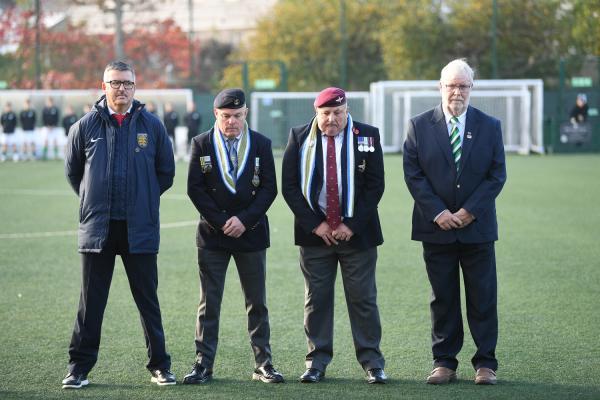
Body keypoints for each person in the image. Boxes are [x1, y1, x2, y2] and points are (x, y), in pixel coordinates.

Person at [63, 60, 176, 389]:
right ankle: (79, 368)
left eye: (127, 83)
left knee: (147, 301)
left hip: (139, 227)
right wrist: (91, 200)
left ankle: (160, 365)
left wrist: (143, 199)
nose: (121, 88)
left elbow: (165, 174)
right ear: (104, 86)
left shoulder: (152, 126)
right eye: (115, 83)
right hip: (98, 229)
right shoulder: (85, 126)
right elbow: (74, 174)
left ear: (135, 87)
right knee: (91, 303)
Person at [403, 59, 506, 386]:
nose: (457, 92)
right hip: (436, 229)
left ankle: (485, 364)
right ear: (440, 87)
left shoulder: (490, 126)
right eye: (452, 85)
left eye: (463, 86)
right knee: (443, 298)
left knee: (483, 296)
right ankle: (444, 362)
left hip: (477, 230)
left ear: (471, 88)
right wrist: (439, 212)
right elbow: (414, 175)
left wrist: (469, 211)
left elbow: (496, 175)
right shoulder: (418, 125)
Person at [281, 87, 387, 384]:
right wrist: (317, 224)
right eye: (326, 113)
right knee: (316, 300)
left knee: (363, 299)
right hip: (315, 236)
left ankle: (372, 362)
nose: (332, 119)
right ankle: (316, 361)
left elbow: (375, 186)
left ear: (347, 110)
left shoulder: (367, 135)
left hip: (358, 235)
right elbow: (289, 186)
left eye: (337, 113)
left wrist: (350, 224)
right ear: (317, 113)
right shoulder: (300, 137)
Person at [184, 88, 283, 385]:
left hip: (250, 234)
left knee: (257, 303)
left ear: (246, 114)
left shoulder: (261, 144)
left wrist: (244, 220)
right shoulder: (201, 143)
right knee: (209, 303)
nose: (232, 122)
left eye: (237, 116)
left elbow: (269, 188)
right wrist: (223, 221)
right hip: (213, 236)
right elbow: (195, 188)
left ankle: (263, 364)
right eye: (226, 116)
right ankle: (203, 365)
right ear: (216, 115)